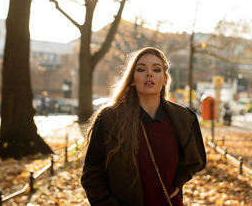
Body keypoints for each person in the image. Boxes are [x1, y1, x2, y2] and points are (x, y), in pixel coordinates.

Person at [81, 47, 206, 206]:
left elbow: (194, 160)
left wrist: (179, 180)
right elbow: (91, 176)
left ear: (165, 80)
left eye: (156, 69)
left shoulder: (183, 119)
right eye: (141, 69)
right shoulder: (110, 119)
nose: (149, 74)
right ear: (132, 80)